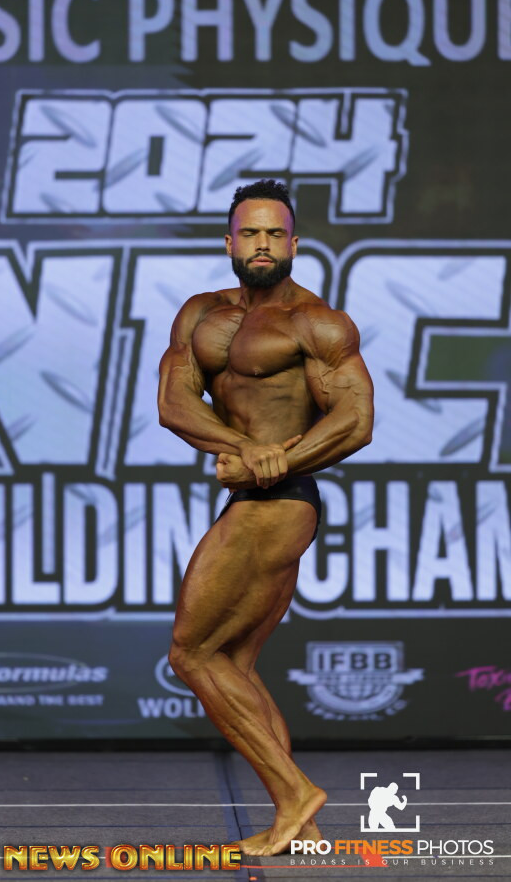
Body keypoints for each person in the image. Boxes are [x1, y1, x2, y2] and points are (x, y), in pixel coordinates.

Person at [157, 179, 374, 856]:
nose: (262, 244)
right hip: (253, 494)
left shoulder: (316, 322)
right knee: (234, 662)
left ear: (294, 244)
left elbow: (356, 420)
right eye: (250, 233)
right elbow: (174, 404)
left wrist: (267, 464)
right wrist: (245, 449)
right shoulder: (200, 314)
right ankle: (300, 826)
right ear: (229, 242)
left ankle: (295, 793)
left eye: (274, 234)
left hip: (281, 504)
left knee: (191, 653)